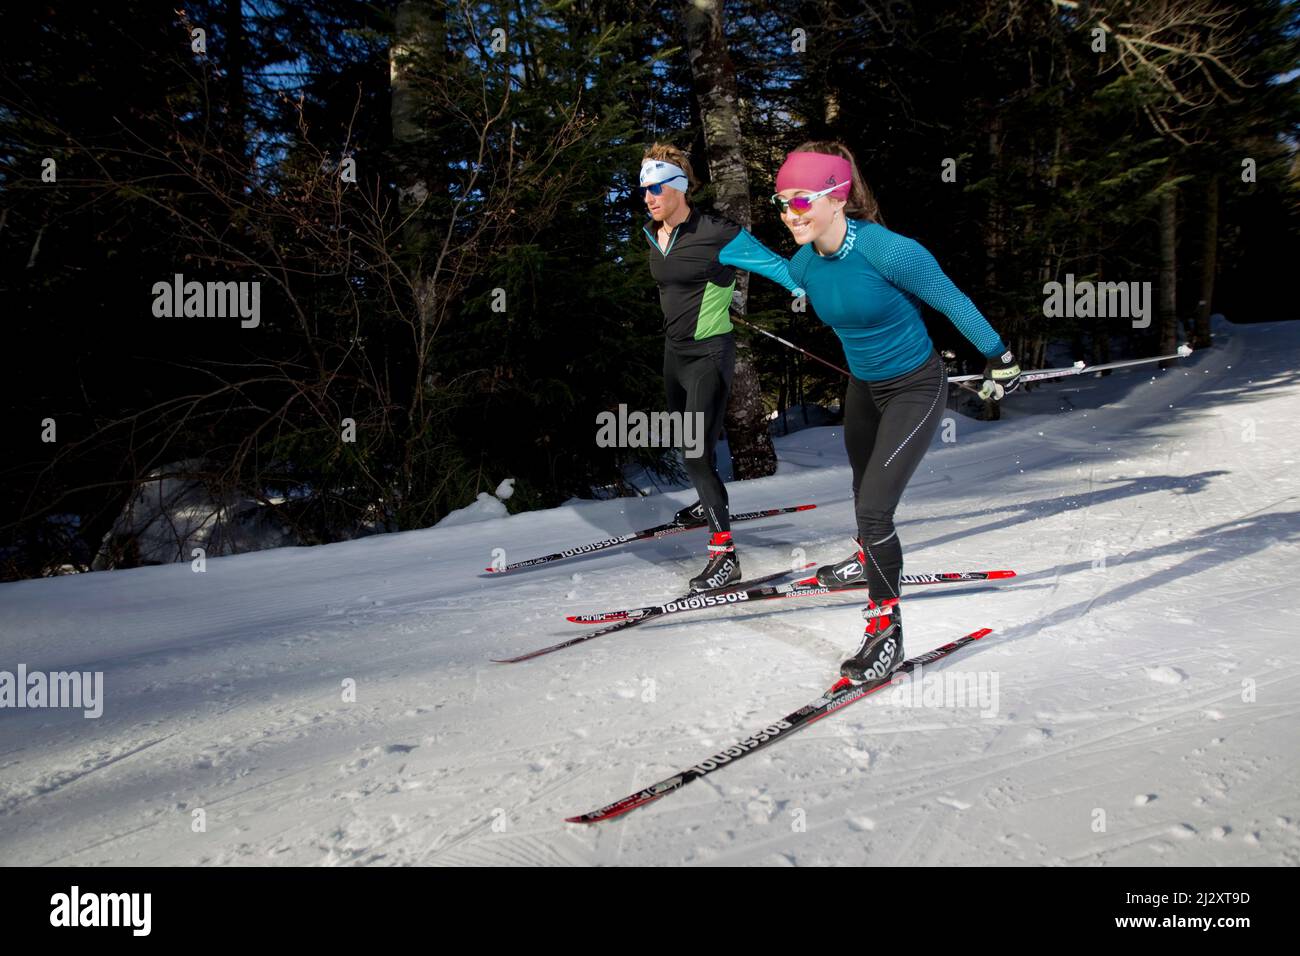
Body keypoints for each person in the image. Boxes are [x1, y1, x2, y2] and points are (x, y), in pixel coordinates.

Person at [772, 141, 1020, 682]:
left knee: (876, 510)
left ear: (837, 197)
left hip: (915, 386)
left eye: (801, 200)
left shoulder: (889, 250)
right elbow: (789, 276)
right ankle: (868, 559)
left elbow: (949, 298)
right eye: (783, 201)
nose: (790, 212)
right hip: (863, 388)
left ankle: (886, 633)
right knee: (864, 492)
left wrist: (998, 356)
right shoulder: (804, 260)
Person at [638, 144, 804, 592]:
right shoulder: (654, 234)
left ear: (677, 187)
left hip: (709, 354)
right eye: (644, 190)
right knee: (691, 444)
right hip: (674, 354)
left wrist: (816, 292)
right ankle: (707, 500)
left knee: (694, 451)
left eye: (656, 188)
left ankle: (724, 554)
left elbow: (777, 267)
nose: (649, 197)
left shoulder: (718, 232)